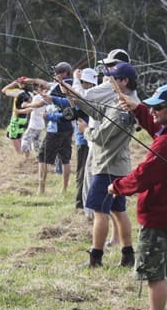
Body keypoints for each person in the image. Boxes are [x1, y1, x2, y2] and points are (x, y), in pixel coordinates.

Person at [109, 83, 167, 310]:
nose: (154, 111)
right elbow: (156, 124)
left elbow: (143, 175)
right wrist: (138, 109)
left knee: (154, 275)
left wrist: (117, 187)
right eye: (152, 107)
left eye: (159, 107)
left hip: (158, 214)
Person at [75, 62, 137, 268]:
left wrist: (85, 130)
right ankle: (128, 255)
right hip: (119, 167)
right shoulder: (125, 102)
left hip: (108, 167)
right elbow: (99, 110)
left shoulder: (122, 109)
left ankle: (95, 258)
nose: (109, 81)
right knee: (119, 211)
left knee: (99, 212)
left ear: (124, 81)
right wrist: (74, 97)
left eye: (113, 78)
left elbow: (101, 136)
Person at [31, 62, 74, 193]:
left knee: (42, 157)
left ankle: (41, 189)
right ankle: (64, 189)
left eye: (57, 72)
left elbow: (65, 108)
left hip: (55, 128)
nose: (55, 75)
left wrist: (49, 116)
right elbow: (45, 83)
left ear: (64, 73)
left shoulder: (61, 87)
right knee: (65, 158)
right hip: (68, 128)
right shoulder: (73, 85)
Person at [73, 68, 98, 210]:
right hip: (85, 140)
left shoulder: (90, 96)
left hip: (87, 140)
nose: (82, 84)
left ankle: (83, 206)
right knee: (82, 173)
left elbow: (79, 99)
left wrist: (75, 81)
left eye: (83, 82)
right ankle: (82, 204)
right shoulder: (91, 94)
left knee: (84, 173)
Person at [1, 78, 32, 154]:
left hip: (16, 118)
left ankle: (19, 154)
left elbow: (4, 90)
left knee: (13, 137)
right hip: (24, 118)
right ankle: (23, 152)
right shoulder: (31, 94)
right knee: (19, 136)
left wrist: (13, 83)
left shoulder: (18, 92)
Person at [20, 86, 46, 160]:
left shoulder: (37, 97)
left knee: (25, 140)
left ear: (38, 89)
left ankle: (26, 158)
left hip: (34, 124)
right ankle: (40, 159)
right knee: (36, 142)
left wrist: (23, 107)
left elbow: (32, 108)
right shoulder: (46, 97)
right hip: (40, 124)